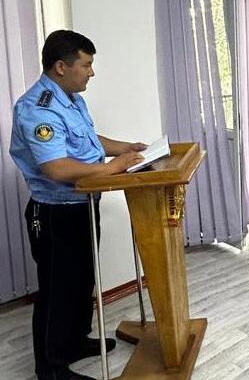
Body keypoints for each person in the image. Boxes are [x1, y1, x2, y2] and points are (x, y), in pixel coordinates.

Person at [10, 30, 146, 380]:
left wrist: (123, 148)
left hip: (82, 204)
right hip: (55, 213)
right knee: (58, 290)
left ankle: (73, 342)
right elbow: (55, 168)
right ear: (61, 67)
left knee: (82, 280)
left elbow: (87, 140)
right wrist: (112, 168)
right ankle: (52, 369)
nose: (91, 72)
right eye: (86, 65)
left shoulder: (70, 99)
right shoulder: (37, 107)